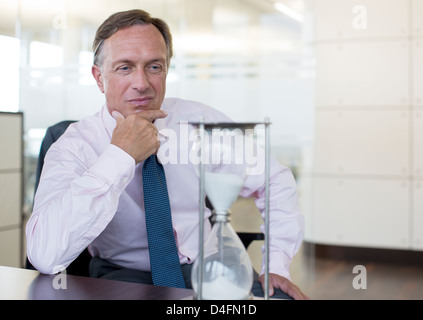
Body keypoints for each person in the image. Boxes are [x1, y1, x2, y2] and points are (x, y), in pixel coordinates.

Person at [26, 9, 309, 300]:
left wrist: (276, 264)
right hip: (124, 277)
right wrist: (119, 156)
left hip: (209, 267)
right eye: (125, 68)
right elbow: (45, 254)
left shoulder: (198, 122)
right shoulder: (74, 145)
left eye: (154, 67)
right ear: (99, 78)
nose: (142, 83)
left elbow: (274, 179)